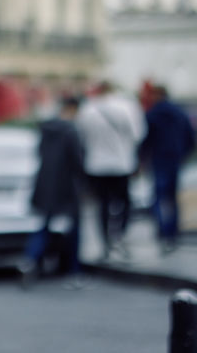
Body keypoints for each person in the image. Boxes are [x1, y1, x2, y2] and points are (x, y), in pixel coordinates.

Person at [74, 80, 145, 260]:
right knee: (125, 201)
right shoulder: (128, 106)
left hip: (96, 164)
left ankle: (105, 240)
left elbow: (81, 137)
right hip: (123, 163)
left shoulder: (88, 109)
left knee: (102, 204)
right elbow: (139, 134)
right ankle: (119, 234)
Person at [20, 95, 85, 288]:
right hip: (66, 186)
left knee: (44, 226)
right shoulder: (71, 130)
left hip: (45, 184)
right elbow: (77, 161)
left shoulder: (45, 129)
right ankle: (73, 271)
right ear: (73, 109)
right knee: (72, 230)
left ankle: (29, 260)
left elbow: (39, 154)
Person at [140, 84, 196, 254]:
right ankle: (173, 232)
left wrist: (143, 158)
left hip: (158, 158)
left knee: (158, 196)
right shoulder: (180, 113)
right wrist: (184, 153)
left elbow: (145, 139)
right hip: (176, 158)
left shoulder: (152, 114)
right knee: (173, 197)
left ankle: (163, 230)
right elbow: (191, 136)